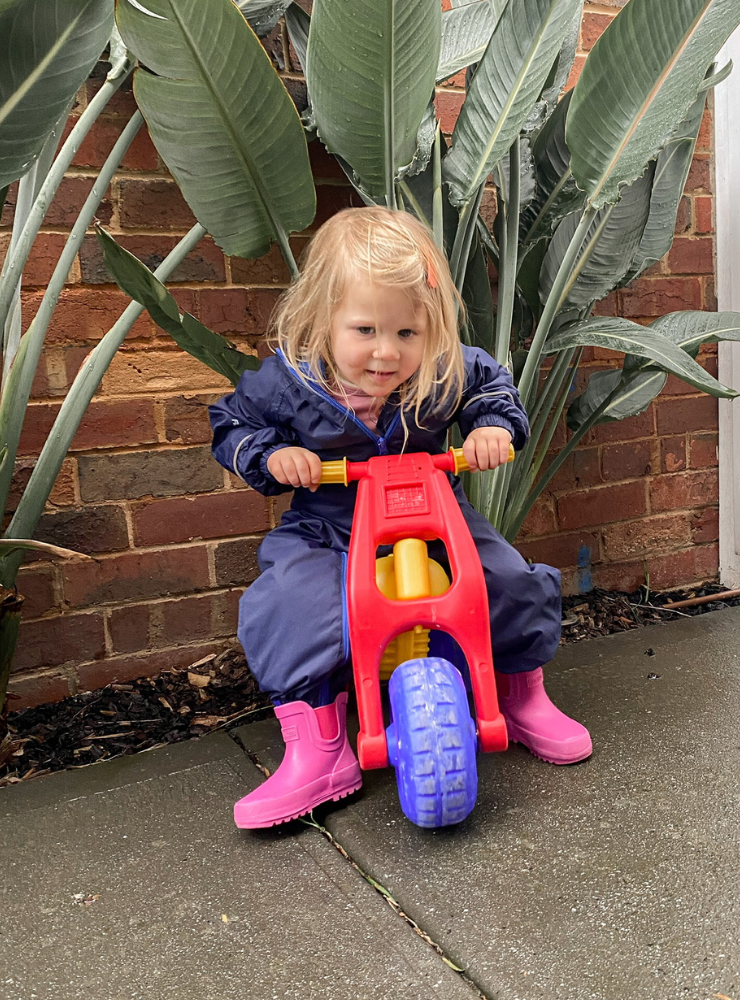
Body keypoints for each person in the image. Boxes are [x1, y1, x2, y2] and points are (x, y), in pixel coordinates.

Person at [210, 206, 591, 830]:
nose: (387, 353)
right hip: (330, 523)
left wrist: (494, 426)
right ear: (321, 319)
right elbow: (233, 422)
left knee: (506, 581)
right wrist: (273, 455)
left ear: (429, 329)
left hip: (435, 515)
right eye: (364, 330)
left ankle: (523, 695)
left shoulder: (444, 371)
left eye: (407, 334)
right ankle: (319, 747)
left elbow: (492, 387)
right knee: (293, 602)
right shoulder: (291, 382)